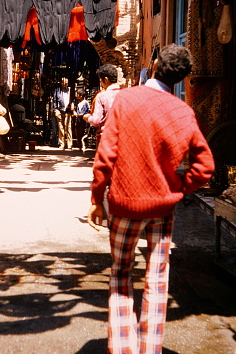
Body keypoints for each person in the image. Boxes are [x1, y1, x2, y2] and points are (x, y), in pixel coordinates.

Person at [87, 44, 215, 354]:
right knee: (157, 279)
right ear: (182, 78)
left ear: (154, 65)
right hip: (162, 207)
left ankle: (122, 348)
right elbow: (205, 167)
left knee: (120, 273)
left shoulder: (126, 99)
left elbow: (105, 155)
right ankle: (150, 349)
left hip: (123, 204)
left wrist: (96, 197)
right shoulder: (182, 111)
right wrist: (177, 187)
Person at [83, 63, 121, 144]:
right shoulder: (126, 94)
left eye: (100, 80)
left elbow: (96, 121)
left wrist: (87, 117)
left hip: (107, 139)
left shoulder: (101, 96)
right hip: (123, 139)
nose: (100, 83)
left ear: (106, 80)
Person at [53, 77, 74, 150]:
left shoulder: (70, 90)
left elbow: (73, 99)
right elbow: (54, 101)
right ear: (62, 83)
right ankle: (62, 144)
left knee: (68, 127)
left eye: (67, 83)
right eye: (65, 83)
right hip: (60, 110)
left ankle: (69, 144)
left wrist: (72, 105)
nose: (66, 84)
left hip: (67, 111)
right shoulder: (57, 91)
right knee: (61, 128)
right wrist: (55, 110)